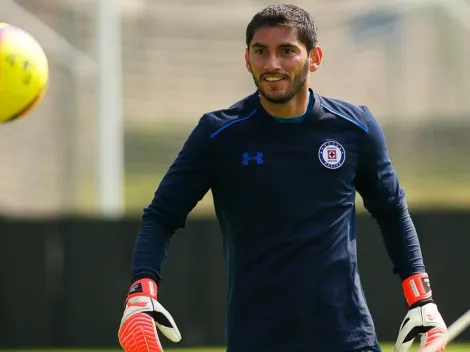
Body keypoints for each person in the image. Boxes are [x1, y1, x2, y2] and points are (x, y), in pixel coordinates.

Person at [117, 4, 448, 352]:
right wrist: (141, 292)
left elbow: (392, 211)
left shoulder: (356, 128)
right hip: (256, 341)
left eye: (287, 51)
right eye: (261, 52)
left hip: (348, 340)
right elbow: (160, 217)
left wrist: (421, 300)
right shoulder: (217, 134)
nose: (272, 64)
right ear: (247, 59)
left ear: (314, 57)